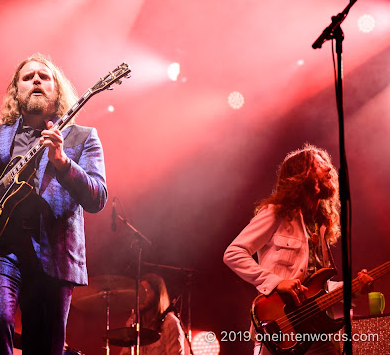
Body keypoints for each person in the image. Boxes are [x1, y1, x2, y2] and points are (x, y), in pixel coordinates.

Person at [0, 53, 107, 355]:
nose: (36, 81)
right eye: (28, 77)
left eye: (44, 77)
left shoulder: (82, 138)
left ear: (56, 91)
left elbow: (97, 197)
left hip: (54, 256)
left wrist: (63, 163)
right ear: (15, 91)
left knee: (45, 347)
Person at [223, 144, 372, 355]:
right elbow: (233, 253)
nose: (329, 169)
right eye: (320, 164)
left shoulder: (320, 224)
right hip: (282, 330)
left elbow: (317, 287)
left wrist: (352, 288)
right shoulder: (277, 213)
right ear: (302, 175)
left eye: (326, 163)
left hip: (318, 333)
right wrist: (276, 283)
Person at [120, 273, 186, 355]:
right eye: (139, 293)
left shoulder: (170, 323)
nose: (141, 297)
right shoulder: (132, 322)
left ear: (157, 295)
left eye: (146, 292)